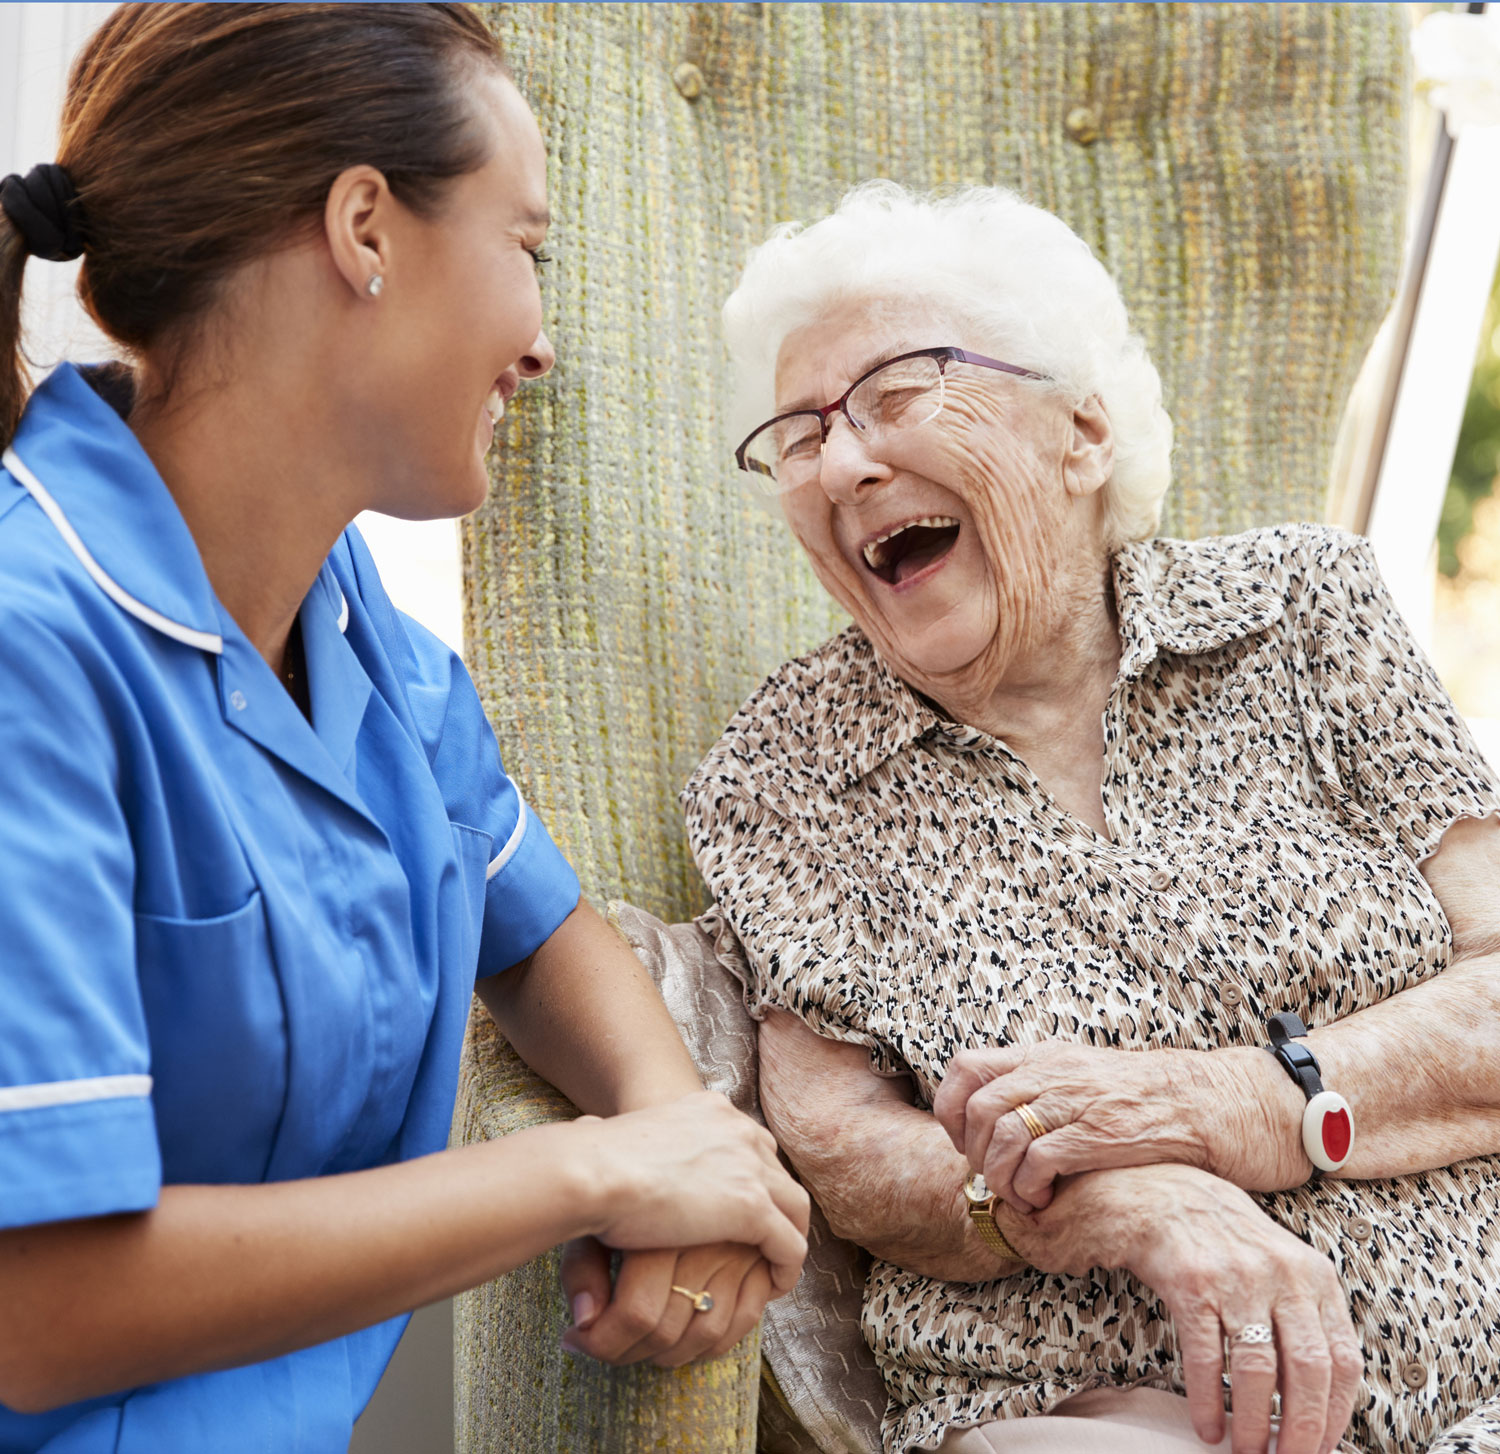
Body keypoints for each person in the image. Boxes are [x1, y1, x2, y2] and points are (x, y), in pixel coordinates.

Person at [0, 7, 809, 1451]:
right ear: (365, 228)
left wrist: (684, 1131)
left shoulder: (350, 618)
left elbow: (537, 926)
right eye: (528, 248)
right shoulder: (30, 648)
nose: (544, 343)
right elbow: (39, 1307)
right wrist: (596, 1173)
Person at [681, 181, 1500, 1454]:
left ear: (1084, 432)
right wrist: (1137, 1203)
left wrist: (1222, 1107)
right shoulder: (786, 768)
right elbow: (846, 1152)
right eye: (801, 434)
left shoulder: (1304, 609)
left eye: (899, 393)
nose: (843, 459)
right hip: (1105, 1402)